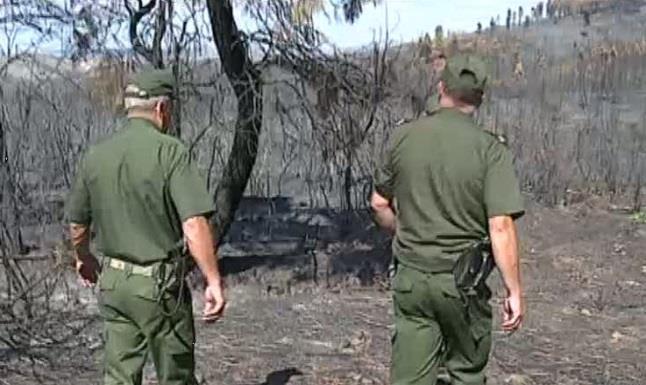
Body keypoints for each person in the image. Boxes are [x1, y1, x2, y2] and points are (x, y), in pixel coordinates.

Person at [371, 55, 525, 385]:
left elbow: (379, 204)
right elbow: (500, 226)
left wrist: (406, 232)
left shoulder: (403, 138)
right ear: (480, 98)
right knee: (466, 373)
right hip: (461, 285)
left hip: (411, 278)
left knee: (411, 377)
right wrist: (513, 290)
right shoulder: (490, 151)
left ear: (441, 88)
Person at [66, 68, 226, 385]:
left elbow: (77, 224)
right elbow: (194, 223)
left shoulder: (96, 156)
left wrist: (83, 258)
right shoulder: (170, 152)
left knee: (120, 377)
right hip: (159, 288)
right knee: (175, 376)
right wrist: (213, 280)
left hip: (114, 284)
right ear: (162, 109)